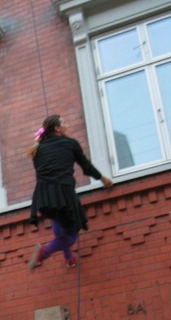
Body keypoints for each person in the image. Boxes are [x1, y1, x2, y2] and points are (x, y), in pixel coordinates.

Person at [27, 114, 114, 271]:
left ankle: (68, 257)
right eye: (64, 123)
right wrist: (103, 179)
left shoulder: (37, 149)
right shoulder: (70, 143)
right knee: (70, 235)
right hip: (64, 192)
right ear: (57, 128)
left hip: (44, 196)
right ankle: (44, 252)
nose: (67, 125)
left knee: (59, 218)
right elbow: (86, 166)